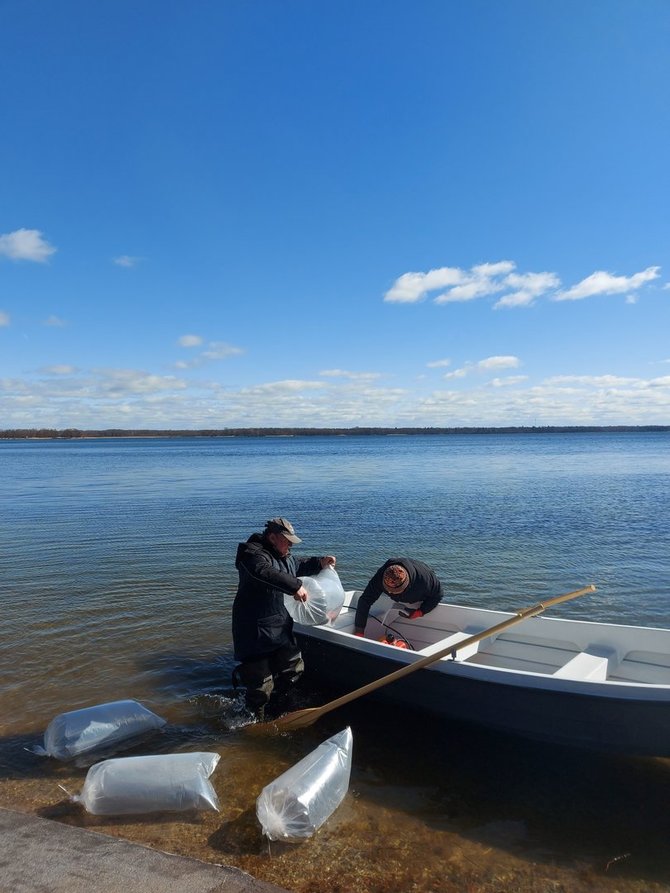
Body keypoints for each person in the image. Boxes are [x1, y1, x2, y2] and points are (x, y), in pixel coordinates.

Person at [232, 517, 336, 719]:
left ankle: (284, 710)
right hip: (254, 632)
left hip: (281, 627)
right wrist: (295, 586)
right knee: (261, 685)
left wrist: (320, 562)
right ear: (272, 537)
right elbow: (263, 572)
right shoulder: (251, 555)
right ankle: (253, 722)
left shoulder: (284, 555)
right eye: (287, 540)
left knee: (292, 669)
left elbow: (296, 565)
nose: (290, 545)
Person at [354, 558, 442, 636]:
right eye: (387, 589)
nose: (389, 592)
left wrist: (421, 611)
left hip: (419, 592)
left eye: (394, 591)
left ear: (406, 584)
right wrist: (359, 631)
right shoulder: (381, 576)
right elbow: (365, 600)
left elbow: (438, 595)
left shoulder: (425, 581)